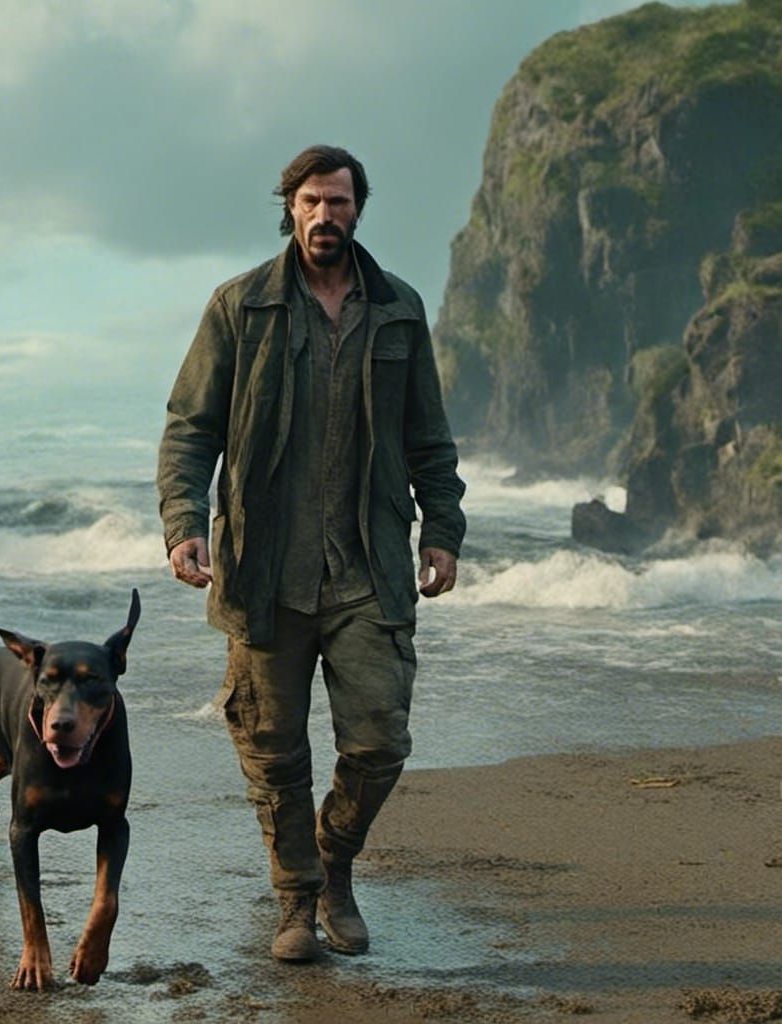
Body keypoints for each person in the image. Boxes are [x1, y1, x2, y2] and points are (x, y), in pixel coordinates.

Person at [157, 144, 466, 962]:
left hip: (368, 568)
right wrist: (184, 522)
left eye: (339, 201)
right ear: (289, 208)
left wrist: (441, 531)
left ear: (359, 209)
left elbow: (430, 439)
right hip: (264, 571)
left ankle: (335, 863)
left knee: (378, 741)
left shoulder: (398, 309)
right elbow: (190, 429)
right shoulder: (240, 306)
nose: (326, 215)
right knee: (273, 750)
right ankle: (296, 903)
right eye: (311, 202)